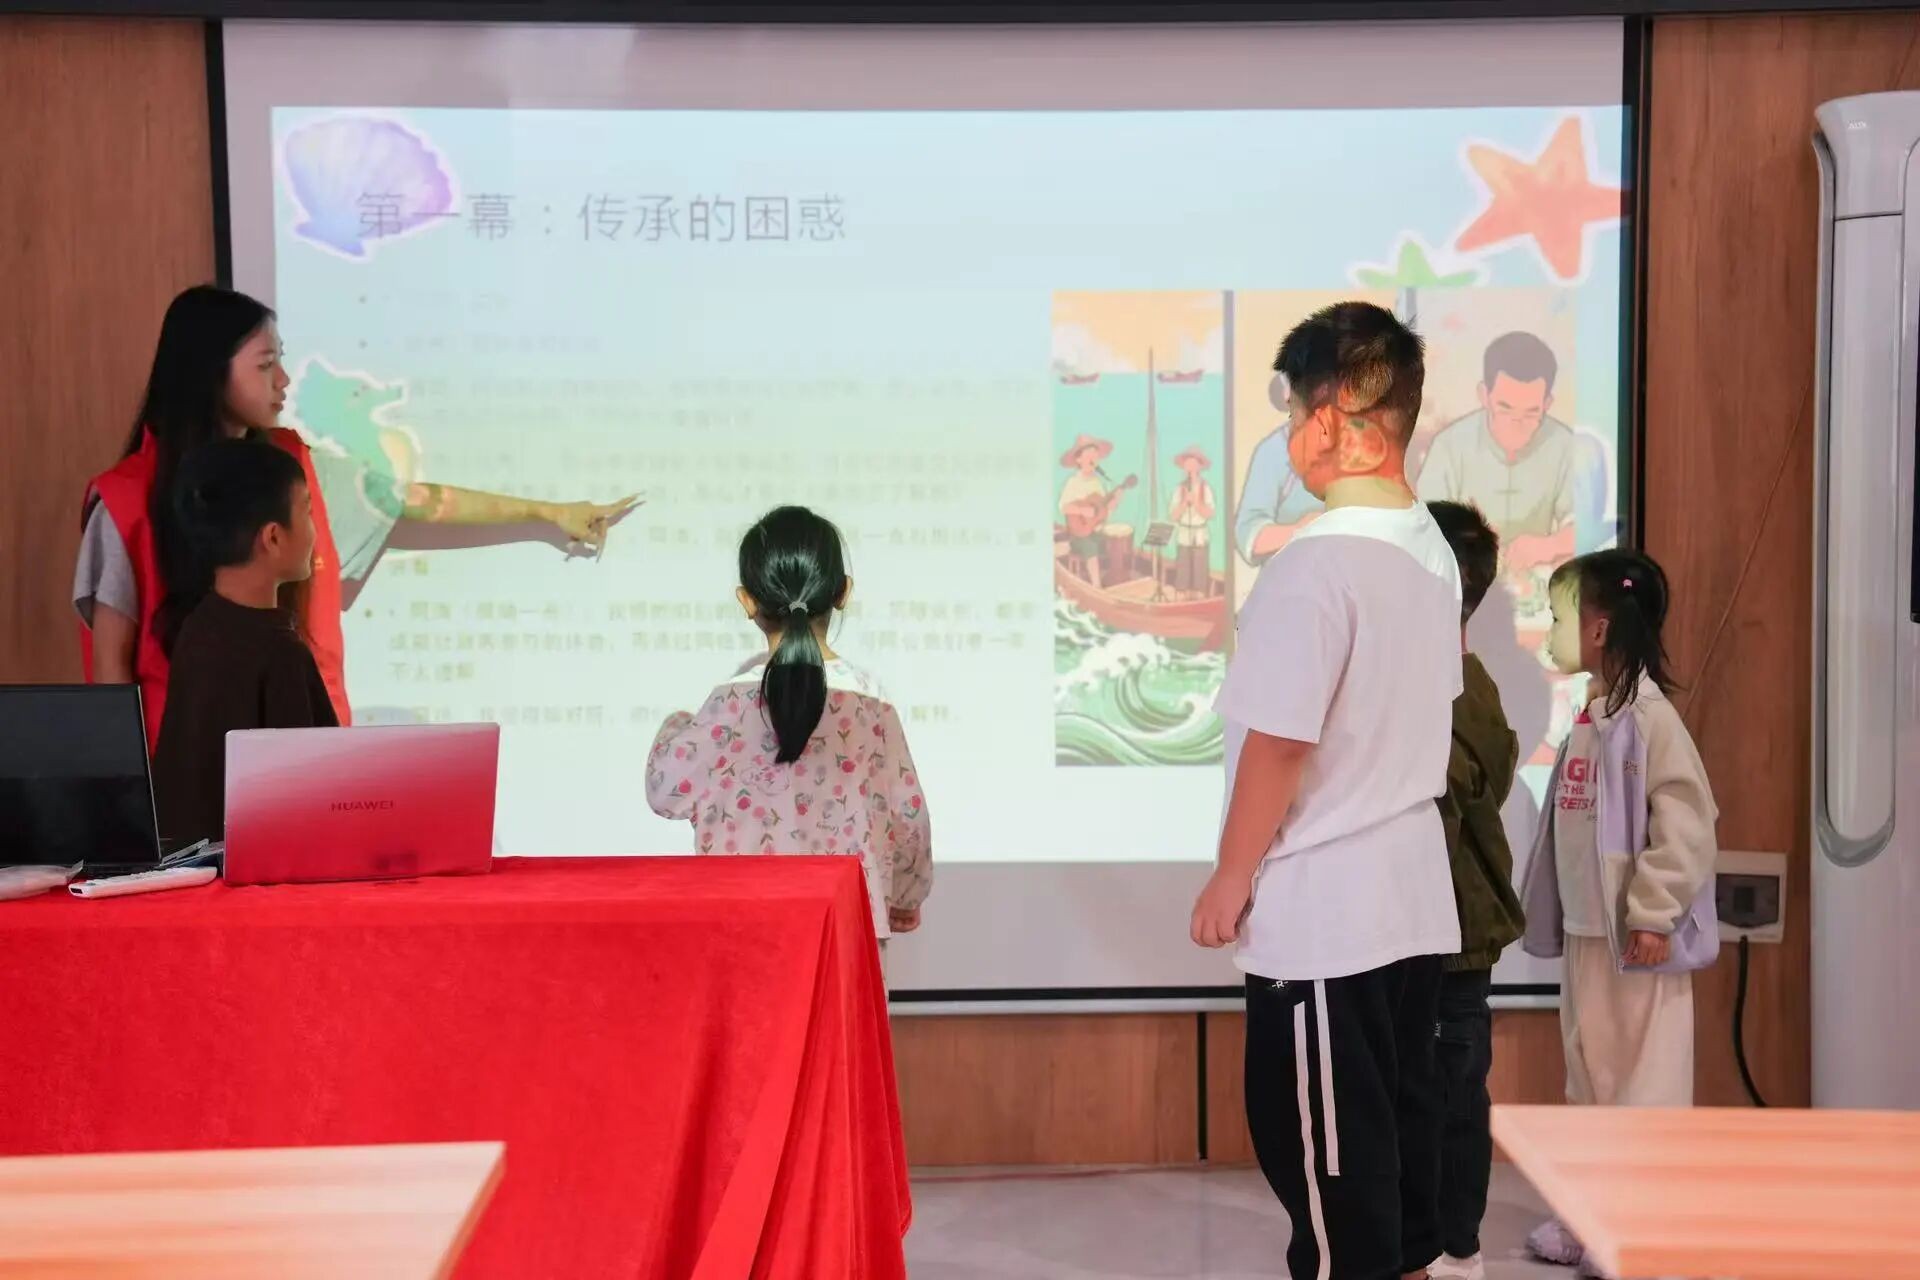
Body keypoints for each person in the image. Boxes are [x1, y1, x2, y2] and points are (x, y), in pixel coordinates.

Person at [1190, 302, 1462, 1280]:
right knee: (1400, 1167)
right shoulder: (1430, 553)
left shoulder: (1313, 564)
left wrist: (1230, 875)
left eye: (1298, 412)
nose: (1292, 436)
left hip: (1325, 922)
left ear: (1339, 414)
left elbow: (1279, 741)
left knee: (1335, 1190)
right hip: (1411, 905)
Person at [76, 285, 636, 749]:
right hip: (177, 779)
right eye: (266, 365)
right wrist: (132, 805)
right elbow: (110, 670)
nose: (284, 380)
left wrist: (547, 512)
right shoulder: (125, 499)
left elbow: (414, 500)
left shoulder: (294, 467)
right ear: (209, 373)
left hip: (298, 761)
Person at [1519, 549, 1719, 1273]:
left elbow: (1688, 824)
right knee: (1590, 1077)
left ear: (1599, 629)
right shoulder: (1593, 714)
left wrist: (1653, 913)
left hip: (1637, 941)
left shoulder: (1649, 719)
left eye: (1557, 617)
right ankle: (1590, 1213)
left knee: (1645, 1083)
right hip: (1588, 935)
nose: (1549, 631)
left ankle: (1640, 1224)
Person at [645, 506, 932, 942]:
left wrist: (676, 724)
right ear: (843, 592)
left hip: (742, 933)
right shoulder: (871, 704)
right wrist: (907, 897)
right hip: (849, 933)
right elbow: (909, 816)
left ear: (747, 601)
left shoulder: (727, 703)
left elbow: (664, 791)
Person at [1426, 501, 1527, 1280]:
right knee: (1450, 1092)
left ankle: (1452, 1247)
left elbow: (1447, 796)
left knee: (1448, 1096)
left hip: (1447, 930)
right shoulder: (1473, 682)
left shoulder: (1447, 688)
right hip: (1453, 930)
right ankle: (1446, 1244)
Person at [149, 439, 335, 846]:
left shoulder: (198, 627)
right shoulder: (279, 651)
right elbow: (315, 798)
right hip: (262, 873)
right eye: (306, 511)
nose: (315, 528)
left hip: (189, 867)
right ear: (273, 537)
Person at [1414, 332, 1578, 579]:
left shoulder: (1565, 445)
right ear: (1484, 396)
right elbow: (1424, 527)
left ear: (1547, 403)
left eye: (1531, 412)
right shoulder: (1450, 446)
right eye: (1505, 408)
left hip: (1539, 589)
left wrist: (1549, 546)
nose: (1517, 423)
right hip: (1465, 584)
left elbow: (1589, 525)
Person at [1232, 372, 1323, 566]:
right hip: (1289, 575)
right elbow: (1248, 534)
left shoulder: (1356, 444)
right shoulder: (1273, 451)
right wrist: (1300, 529)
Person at [1058, 434, 1117, 588]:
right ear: (1078, 459)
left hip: (1094, 530)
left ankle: (1115, 579)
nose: (1093, 459)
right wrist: (1082, 510)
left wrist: (1111, 506)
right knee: (1090, 546)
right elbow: (1063, 507)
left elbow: (1101, 512)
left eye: (1095, 455)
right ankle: (1097, 586)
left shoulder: (1097, 483)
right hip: (1078, 535)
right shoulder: (1073, 482)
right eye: (1089, 454)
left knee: (1113, 542)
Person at [1168, 446, 1215, 598]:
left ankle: (1199, 597)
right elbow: (1173, 516)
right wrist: (1184, 503)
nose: (1190, 468)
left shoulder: (1205, 488)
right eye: (1187, 464)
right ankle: (1181, 596)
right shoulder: (1179, 489)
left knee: (1200, 569)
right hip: (1184, 534)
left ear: (1199, 467)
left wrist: (1196, 502)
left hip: (1200, 534)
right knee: (1182, 569)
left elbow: (1210, 513)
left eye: (1193, 464)